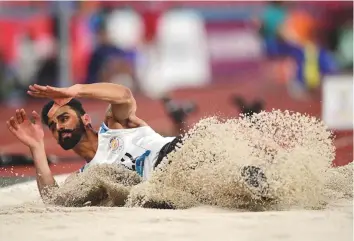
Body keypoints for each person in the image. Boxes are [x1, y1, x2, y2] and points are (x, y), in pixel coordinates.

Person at [6, 83, 269, 203]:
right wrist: (36, 147)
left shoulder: (115, 126)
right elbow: (54, 198)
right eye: (53, 126)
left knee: (204, 147)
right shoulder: (87, 177)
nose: (59, 126)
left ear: (86, 118)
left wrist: (76, 90)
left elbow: (123, 95)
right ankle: (253, 183)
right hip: (165, 188)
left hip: (175, 154)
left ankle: (253, 176)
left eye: (63, 117)